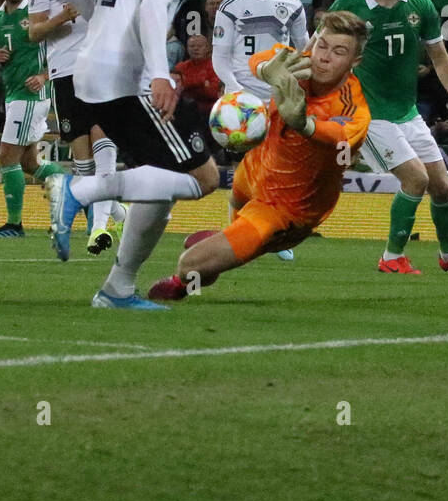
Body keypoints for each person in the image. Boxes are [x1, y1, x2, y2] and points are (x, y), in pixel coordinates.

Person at [46, 0, 222, 307]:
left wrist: (103, 29)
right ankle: (82, 189)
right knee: (204, 179)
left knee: (160, 178)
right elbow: (153, 4)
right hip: (134, 77)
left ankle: (117, 287)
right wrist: (160, 73)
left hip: (90, 68)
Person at [147, 15, 371, 302]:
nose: (324, 58)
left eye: (339, 52)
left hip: (285, 208)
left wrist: (304, 124)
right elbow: (262, 58)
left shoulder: (354, 107)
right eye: (322, 46)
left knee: (191, 265)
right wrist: (268, 70)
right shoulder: (299, 63)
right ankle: (228, 240)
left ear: (355, 61)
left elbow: (337, 135)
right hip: (256, 167)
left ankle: (186, 283)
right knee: (234, 215)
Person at [329, 0, 448, 276]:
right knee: (415, 180)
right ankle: (391, 256)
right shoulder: (347, 5)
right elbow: (321, 51)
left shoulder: (420, 3)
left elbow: (440, 57)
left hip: (408, 113)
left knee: (442, 187)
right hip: (369, 114)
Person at [29, 0, 127, 256]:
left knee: (104, 141)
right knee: (83, 159)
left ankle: (98, 228)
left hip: (104, 66)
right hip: (65, 71)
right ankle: (117, 213)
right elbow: (33, 32)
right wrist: (62, 17)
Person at [0, 0, 60, 239]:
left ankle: (14, 225)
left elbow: (63, 50)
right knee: (30, 164)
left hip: (32, 94)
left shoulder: (37, 14)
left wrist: (45, 75)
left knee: (5, 156)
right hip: (12, 93)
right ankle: (78, 193)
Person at [213, 0, 310, 101]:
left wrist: (299, 85)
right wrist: (235, 89)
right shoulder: (229, 8)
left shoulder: (292, 4)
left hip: (281, 97)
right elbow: (220, 57)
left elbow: (305, 49)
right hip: (243, 96)